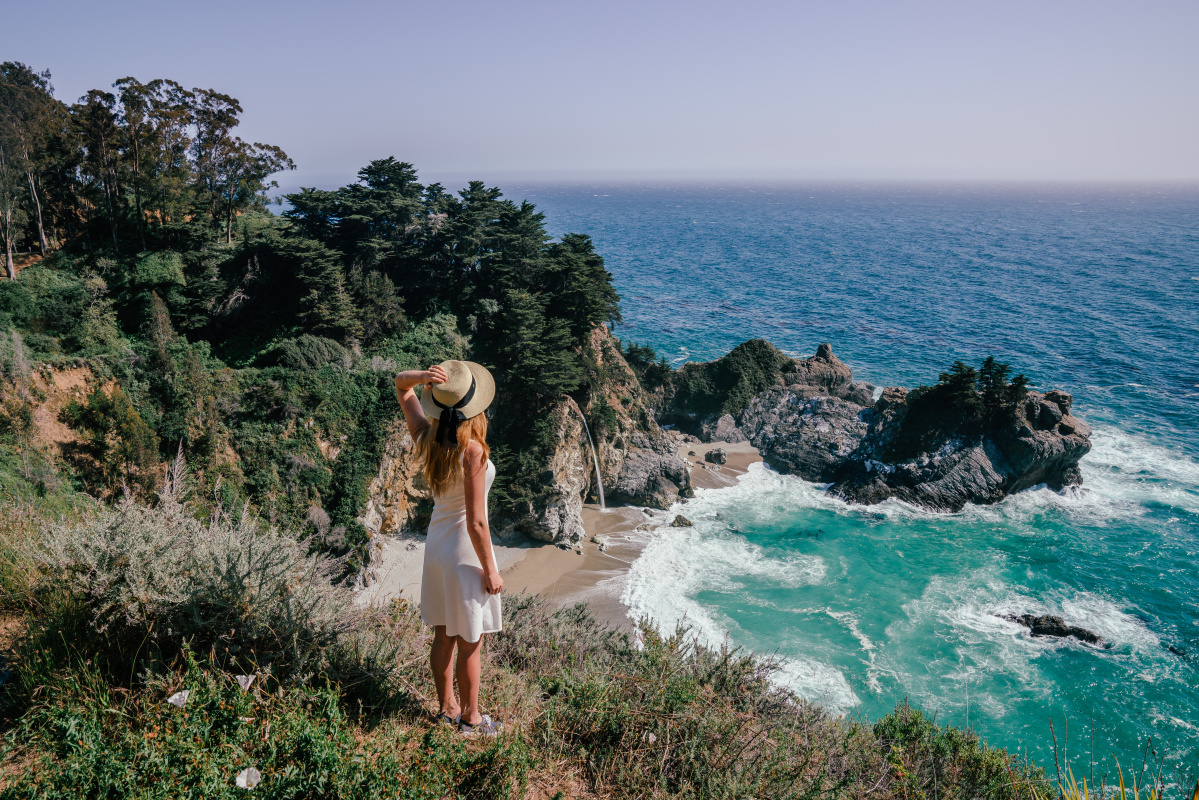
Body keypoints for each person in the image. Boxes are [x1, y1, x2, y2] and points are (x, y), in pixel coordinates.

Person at [394, 360, 504, 737]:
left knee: (444, 635)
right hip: (464, 554)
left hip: (436, 548)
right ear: (476, 407)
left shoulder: (426, 436)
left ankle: (445, 709)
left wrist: (422, 378)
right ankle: (472, 720)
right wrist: (491, 569)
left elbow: (400, 385)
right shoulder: (472, 450)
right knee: (471, 642)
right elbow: (476, 522)